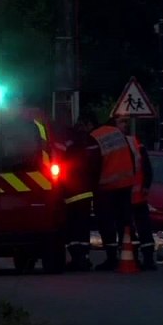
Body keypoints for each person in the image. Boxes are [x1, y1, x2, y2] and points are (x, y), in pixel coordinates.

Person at [91, 119, 140, 271]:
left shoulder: (94, 136)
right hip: (125, 183)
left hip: (107, 186)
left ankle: (112, 258)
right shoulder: (118, 133)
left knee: (106, 222)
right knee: (125, 222)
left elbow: (94, 163)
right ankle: (133, 255)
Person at [59, 113, 102, 270]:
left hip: (70, 192)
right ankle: (83, 257)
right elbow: (97, 166)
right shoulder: (90, 142)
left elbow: (59, 164)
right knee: (83, 226)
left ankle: (77, 258)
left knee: (72, 227)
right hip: (86, 191)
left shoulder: (67, 143)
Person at [117, 118, 156, 270]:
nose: (125, 125)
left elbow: (145, 165)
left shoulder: (134, 142)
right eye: (121, 122)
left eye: (125, 122)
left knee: (140, 227)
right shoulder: (130, 143)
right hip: (129, 194)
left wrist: (146, 185)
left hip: (133, 194)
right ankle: (135, 257)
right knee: (131, 228)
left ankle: (147, 258)